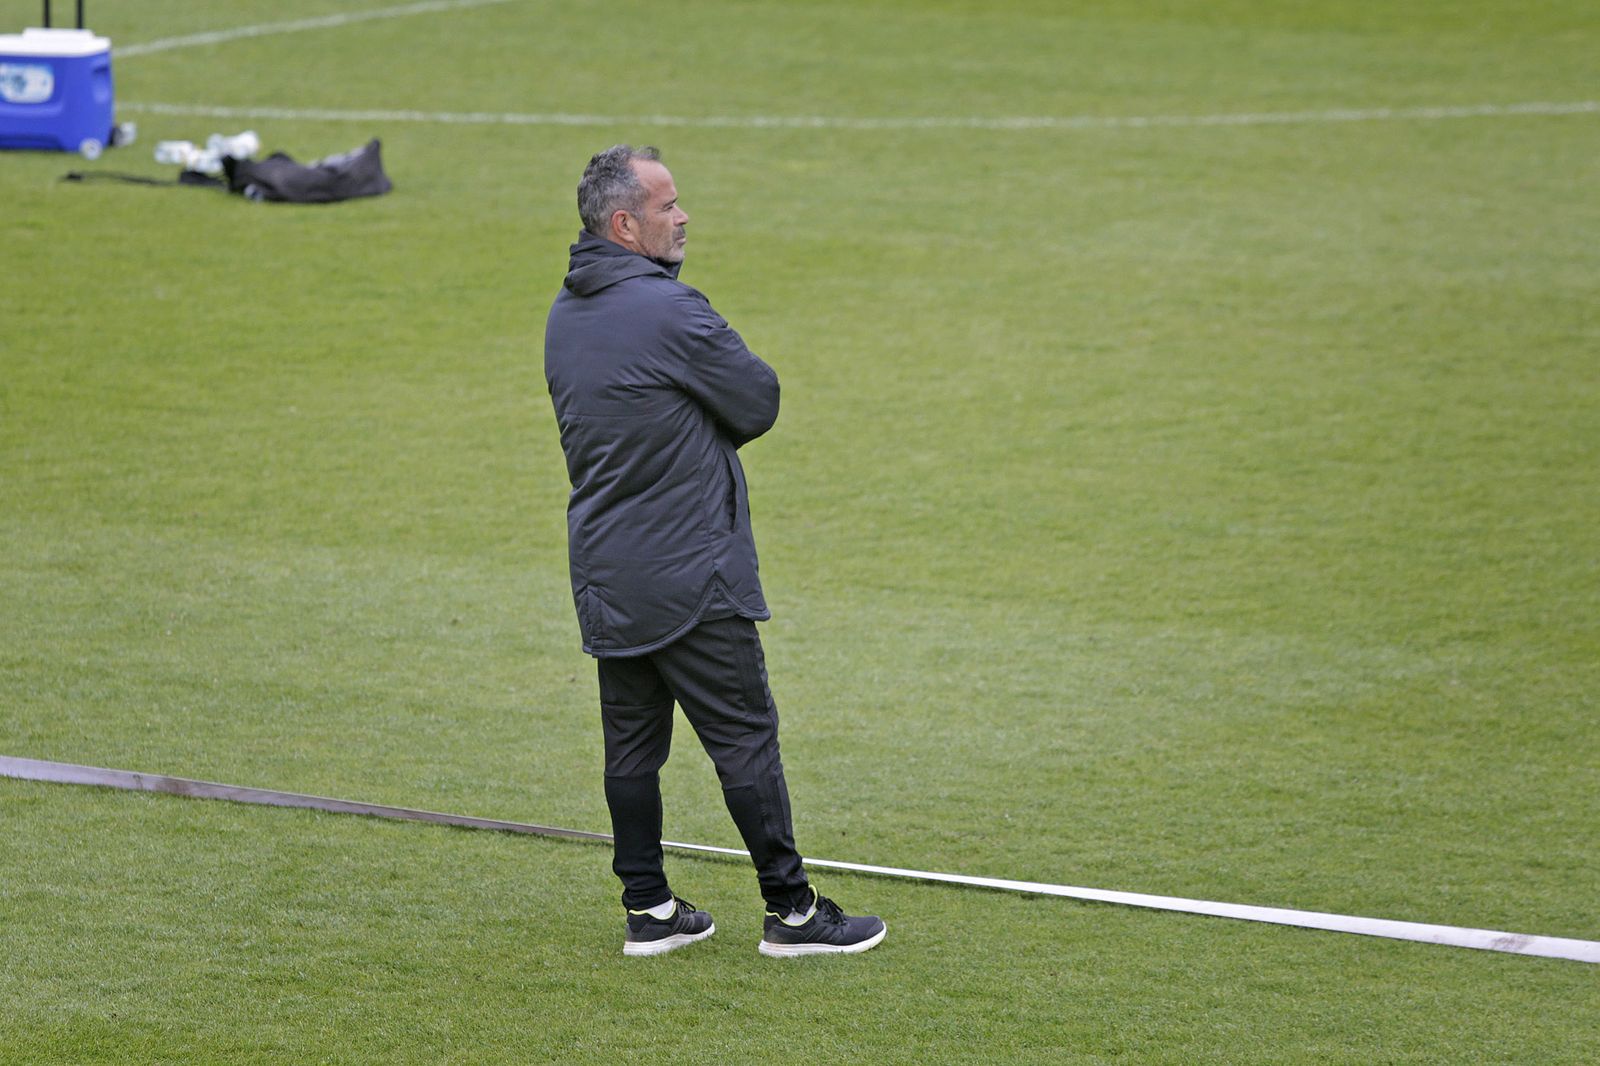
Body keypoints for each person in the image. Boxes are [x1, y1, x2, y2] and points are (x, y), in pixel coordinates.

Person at [543, 145, 886, 958]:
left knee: (630, 744)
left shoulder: (566, 311)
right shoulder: (670, 310)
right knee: (744, 737)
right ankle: (795, 914)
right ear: (624, 224)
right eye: (666, 205)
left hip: (607, 569)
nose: (683, 214)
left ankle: (649, 910)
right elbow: (758, 398)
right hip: (690, 572)